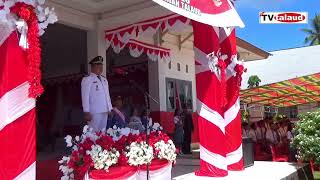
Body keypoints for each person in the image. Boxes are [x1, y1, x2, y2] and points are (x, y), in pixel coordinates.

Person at [81, 56, 112, 132]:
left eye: (101, 65)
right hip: (94, 111)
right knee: (93, 133)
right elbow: (85, 96)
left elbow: (107, 95)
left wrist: (110, 108)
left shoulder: (104, 79)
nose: (101, 67)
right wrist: (86, 111)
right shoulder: (87, 79)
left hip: (104, 110)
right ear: (93, 66)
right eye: (98, 65)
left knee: (103, 133)